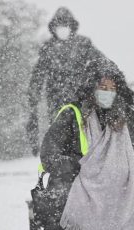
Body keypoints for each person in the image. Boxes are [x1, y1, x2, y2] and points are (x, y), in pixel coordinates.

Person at [39, 58, 134, 230]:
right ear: (91, 88)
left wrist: (114, 172)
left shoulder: (123, 120)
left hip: (114, 201)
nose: (108, 92)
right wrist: (77, 168)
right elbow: (49, 154)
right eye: (103, 88)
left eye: (112, 89)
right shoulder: (72, 114)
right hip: (75, 195)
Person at [26, 7, 102, 156]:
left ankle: (82, 161)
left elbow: (99, 62)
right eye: (59, 26)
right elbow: (38, 74)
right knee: (60, 135)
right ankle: (64, 164)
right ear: (54, 28)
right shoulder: (48, 48)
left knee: (81, 133)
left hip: (80, 99)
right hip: (56, 100)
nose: (62, 29)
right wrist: (33, 95)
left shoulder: (83, 44)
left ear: (71, 27)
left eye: (65, 26)